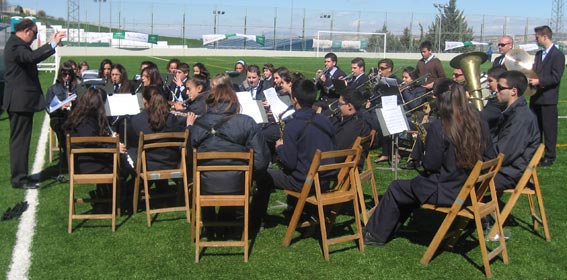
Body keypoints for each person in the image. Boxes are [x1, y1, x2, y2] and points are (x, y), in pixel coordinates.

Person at [364, 82, 495, 246]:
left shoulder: (440, 127)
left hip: (448, 189)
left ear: (442, 101)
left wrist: (422, 155)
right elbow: (491, 154)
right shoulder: (479, 121)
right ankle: (389, 229)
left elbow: (431, 166)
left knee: (396, 187)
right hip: (471, 188)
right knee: (408, 188)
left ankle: (375, 235)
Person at [252, 79, 336, 229]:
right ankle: (299, 210)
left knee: (263, 176)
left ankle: (256, 220)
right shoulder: (325, 120)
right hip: (325, 179)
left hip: (306, 182)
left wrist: (280, 147)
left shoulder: (293, 125)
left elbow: (289, 163)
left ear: (295, 99)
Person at [186, 83, 270, 233]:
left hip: (205, 184)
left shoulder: (197, 124)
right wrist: (250, 177)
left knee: (212, 172)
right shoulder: (246, 122)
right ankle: (230, 220)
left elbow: (189, 158)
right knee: (238, 175)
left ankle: (210, 221)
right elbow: (261, 160)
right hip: (237, 183)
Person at [3, 18, 65, 189]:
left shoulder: (16, 44)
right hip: (19, 102)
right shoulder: (16, 46)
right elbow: (31, 58)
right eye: (35, 34)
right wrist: (52, 44)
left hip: (21, 101)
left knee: (21, 140)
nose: (34, 37)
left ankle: (21, 176)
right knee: (20, 141)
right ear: (27, 30)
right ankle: (19, 179)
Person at [493, 70, 540, 191]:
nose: (496, 90)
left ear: (514, 91)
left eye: (500, 87)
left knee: (458, 177)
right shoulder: (513, 112)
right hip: (504, 169)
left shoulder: (521, 118)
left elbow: (503, 155)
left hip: (508, 174)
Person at [126, 86, 186, 175]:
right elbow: (180, 140)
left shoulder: (136, 119)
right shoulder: (171, 118)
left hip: (147, 165)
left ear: (144, 100)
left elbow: (132, 143)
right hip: (170, 163)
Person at [528, 25, 565, 167]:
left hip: (548, 100)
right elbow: (536, 71)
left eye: (537, 37)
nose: (535, 39)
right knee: (536, 130)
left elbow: (556, 77)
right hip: (535, 97)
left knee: (549, 130)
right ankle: (536, 155)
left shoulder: (558, 55)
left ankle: (550, 156)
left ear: (545, 37)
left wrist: (539, 81)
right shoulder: (538, 54)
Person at [63, 87, 115, 174]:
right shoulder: (86, 122)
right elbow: (93, 142)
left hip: (85, 160)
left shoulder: (80, 116)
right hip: (88, 164)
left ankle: (104, 188)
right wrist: (114, 146)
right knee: (122, 167)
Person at [46, 62, 79, 170]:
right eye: (65, 74)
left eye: (69, 74)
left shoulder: (77, 87)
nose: (67, 77)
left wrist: (75, 102)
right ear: (60, 74)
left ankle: (77, 159)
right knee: (64, 130)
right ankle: (68, 159)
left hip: (74, 117)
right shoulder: (53, 89)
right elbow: (48, 107)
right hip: (58, 117)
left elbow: (84, 106)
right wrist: (60, 107)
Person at [332, 87, 371, 170]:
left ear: (349, 106)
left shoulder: (353, 126)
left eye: (340, 104)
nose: (338, 107)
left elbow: (338, 153)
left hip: (340, 166)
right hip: (347, 164)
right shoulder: (358, 120)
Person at [480, 66, 507, 138]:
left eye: (490, 81)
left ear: (500, 82)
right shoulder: (494, 97)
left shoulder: (499, 101)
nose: (487, 83)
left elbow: (484, 117)